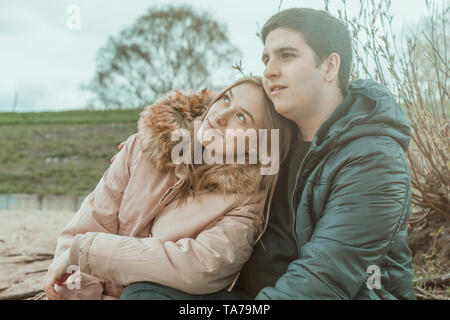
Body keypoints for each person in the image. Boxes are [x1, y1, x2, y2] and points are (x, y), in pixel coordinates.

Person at [121, 8, 415, 300]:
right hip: (257, 296)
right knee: (145, 293)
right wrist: (149, 147)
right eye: (266, 59)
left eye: (287, 56)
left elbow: (324, 280)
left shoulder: (374, 161)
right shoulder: (276, 136)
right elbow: (218, 124)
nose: (269, 70)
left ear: (329, 67)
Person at [43, 76, 296, 300]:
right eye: (226, 99)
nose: (220, 115)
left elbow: (202, 265)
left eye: (242, 117)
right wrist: (80, 287)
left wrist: (88, 251)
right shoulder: (143, 147)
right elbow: (93, 219)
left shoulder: (247, 199)